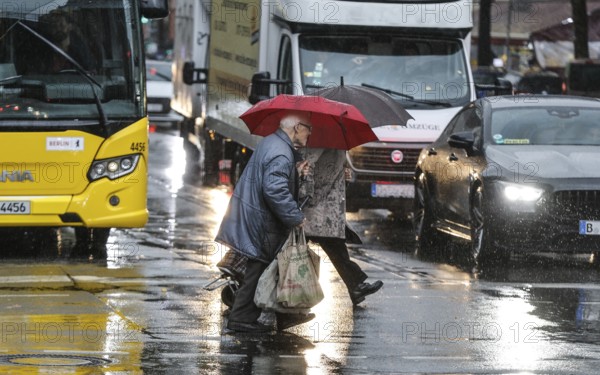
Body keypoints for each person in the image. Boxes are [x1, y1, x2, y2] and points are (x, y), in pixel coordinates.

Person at [215, 111, 314, 333]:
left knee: (265, 267)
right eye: (309, 128)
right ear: (297, 127)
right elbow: (275, 190)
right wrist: (295, 217)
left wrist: (296, 174)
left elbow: (272, 180)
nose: (310, 133)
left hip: (256, 216)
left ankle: (279, 315)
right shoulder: (281, 153)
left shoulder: (273, 143)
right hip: (262, 221)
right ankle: (241, 318)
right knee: (259, 268)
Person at [299, 148, 383, 305]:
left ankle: (356, 287)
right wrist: (306, 195)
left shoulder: (339, 144)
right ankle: (273, 291)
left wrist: (346, 176)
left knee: (334, 247)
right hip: (315, 207)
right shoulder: (322, 138)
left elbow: (342, 171)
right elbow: (306, 166)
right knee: (292, 251)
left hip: (328, 209)